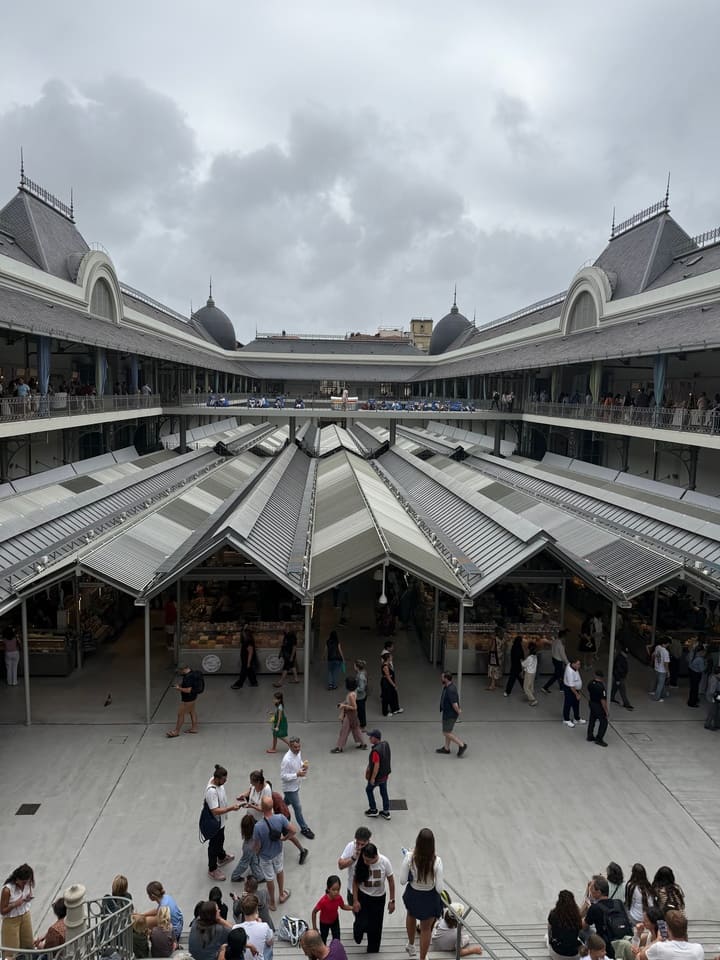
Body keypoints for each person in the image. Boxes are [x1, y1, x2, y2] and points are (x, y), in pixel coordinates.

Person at [400, 827, 444, 960]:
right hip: (429, 898)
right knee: (425, 929)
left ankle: (411, 945)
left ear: (417, 842)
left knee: (411, 916)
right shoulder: (437, 861)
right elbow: (439, 889)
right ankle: (423, 958)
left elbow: (402, 881)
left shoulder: (409, 857)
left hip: (413, 894)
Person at [252, 795, 295, 912]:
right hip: (278, 851)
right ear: (271, 807)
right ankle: (281, 894)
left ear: (262, 807)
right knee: (279, 870)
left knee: (269, 878)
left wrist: (256, 852)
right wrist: (285, 838)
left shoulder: (258, 827)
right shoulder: (280, 818)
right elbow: (293, 830)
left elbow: (257, 845)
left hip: (265, 856)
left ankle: (272, 902)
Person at [352, 842, 395, 954]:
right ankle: (358, 931)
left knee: (376, 927)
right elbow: (355, 882)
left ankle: (373, 949)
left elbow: (391, 880)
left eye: (368, 860)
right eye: (364, 859)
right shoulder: (361, 861)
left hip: (378, 899)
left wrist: (392, 900)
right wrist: (355, 900)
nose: (365, 862)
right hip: (363, 896)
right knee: (361, 922)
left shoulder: (384, 862)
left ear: (375, 857)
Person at [205, 763, 241, 881]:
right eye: (223, 780)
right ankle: (212, 869)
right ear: (216, 779)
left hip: (221, 822)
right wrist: (231, 808)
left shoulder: (217, 781)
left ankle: (221, 857)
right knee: (213, 845)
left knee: (221, 839)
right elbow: (215, 811)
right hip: (215, 823)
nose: (225, 781)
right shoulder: (211, 792)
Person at [583, 876, 632, 958]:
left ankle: (589, 954)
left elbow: (583, 926)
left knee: (583, 932)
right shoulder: (618, 903)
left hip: (607, 948)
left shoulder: (595, 908)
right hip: (624, 942)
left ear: (598, 892)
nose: (590, 892)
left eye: (591, 889)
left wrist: (586, 909)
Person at [280, 736, 315, 839]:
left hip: (296, 784)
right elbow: (283, 776)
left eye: (299, 746)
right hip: (290, 788)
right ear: (290, 746)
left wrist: (303, 765)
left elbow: (299, 761)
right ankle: (304, 828)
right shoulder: (286, 760)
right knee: (297, 807)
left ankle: (275, 811)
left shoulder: (298, 753)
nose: (298, 749)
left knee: (285, 803)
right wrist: (297, 774)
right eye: (295, 747)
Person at [636, 910, 704, 960]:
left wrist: (658, 940)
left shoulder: (659, 947)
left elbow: (641, 956)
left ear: (667, 928)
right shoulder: (698, 949)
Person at [1, 863, 35, 953]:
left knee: (28, 945)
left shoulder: (28, 883)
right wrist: (15, 904)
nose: (25, 884)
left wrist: (27, 899)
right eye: (23, 882)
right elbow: (2, 911)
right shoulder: (7, 890)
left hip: (25, 915)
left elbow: (28, 894)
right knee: (11, 950)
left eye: (28, 882)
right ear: (17, 880)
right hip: (11, 920)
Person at [312, 875, 353, 944]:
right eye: (333, 890)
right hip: (324, 923)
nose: (336, 892)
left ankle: (336, 951)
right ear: (328, 889)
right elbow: (314, 912)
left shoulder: (338, 898)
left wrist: (352, 908)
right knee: (323, 938)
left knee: (337, 939)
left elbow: (343, 906)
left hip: (335, 921)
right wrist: (314, 928)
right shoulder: (323, 901)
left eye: (338, 889)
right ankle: (323, 952)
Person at [338, 827, 372, 905]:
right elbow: (340, 865)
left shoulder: (372, 850)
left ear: (368, 842)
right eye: (357, 843)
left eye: (362, 844)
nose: (359, 847)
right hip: (352, 891)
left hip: (367, 891)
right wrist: (353, 858)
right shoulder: (351, 846)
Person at [436, 672, 467, 756]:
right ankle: (446, 748)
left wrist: (458, 711)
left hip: (450, 714)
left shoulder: (450, 689)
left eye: (442, 677)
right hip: (447, 712)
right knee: (448, 730)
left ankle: (462, 745)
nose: (441, 679)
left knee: (446, 732)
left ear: (446, 678)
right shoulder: (447, 687)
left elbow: (454, 703)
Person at [332, 677, 366, 752]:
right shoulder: (354, 692)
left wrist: (344, 706)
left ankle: (339, 747)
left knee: (344, 730)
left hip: (350, 714)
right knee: (356, 728)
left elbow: (354, 707)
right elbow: (350, 702)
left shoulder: (350, 695)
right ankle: (363, 743)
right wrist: (343, 703)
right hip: (353, 715)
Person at [167, 665, 202, 737]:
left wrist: (178, 688)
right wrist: (180, 685)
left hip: (188, 699)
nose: (179, 673)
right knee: (192, 712)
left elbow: (188, 690)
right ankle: (194, 728)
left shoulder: (188, 678)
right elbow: (189, 685)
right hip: (193, 696)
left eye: (179, 671)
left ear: (183, 669)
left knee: (180, 714)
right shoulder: (192, 673)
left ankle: (176, 732)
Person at [547, 889, 581, 960]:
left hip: (557, 954)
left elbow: (550, 931)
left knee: (547, 936)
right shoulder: (577, 915)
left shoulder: (553, 914)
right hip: (574, 954)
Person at [364, 729, 391, 819]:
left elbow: (376, 766)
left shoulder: (375, 751)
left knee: (368, 790)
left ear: (375, 738)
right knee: (384, 792)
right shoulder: (385, 744)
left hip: (377, 777)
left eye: (371, 737)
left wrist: (372, 778)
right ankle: (386, 812)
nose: (369, 739)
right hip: (385, 775)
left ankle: (373, 810)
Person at [238, 893, 274, 960]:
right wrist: (260, 923)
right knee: (269, 942)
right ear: (256, 909)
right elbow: (270, 942)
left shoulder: (236, 928)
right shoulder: (264, 926)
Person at [587, 670, 609, 747]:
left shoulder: (591, 683)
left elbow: (588, 689)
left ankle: (590, 736)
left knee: (592, 719)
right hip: (598, 705)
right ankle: (599, 739)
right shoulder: (601, 687)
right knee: (604, 722)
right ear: (602, 677)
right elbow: (603, 700)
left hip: (591, 702)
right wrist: (606, 710)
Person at [232, 624, 259, 689]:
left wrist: (248, 663)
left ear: (247, 634)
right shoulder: (246, 640)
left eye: (243, 633)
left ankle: (239, 684)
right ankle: (254, 682)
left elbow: (250, 652)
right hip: (245, 659)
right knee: (250, 671)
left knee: (243, 672)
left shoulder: (248, 641)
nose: (242, 634)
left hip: (247, 659)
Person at [543, 629, 569, 694]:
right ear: (563, 637)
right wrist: (568, 663)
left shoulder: (555, 641)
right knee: (557, 675)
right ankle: (545, 687)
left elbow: (552, 650)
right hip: (559, 661)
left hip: (554, 659)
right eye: (565, 637)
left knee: (560, 674)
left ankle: (562, 687)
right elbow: (563, 656)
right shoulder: (561, 645)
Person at [562, 659, 586, 728]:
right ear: (573, 663)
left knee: (576, 704)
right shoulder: (570, 672)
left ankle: (576, 718)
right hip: (570, 690)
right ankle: (566, 719)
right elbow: (571, 686)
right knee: (568, 704)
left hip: (575, 689)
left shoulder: (573, 667)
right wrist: (577, 694)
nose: (579, 666)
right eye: (578, 664)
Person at [380, 651, 402, 716]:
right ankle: (385, 712)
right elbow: (388, 677)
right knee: (386, 697)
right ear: (388, 658)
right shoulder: (385, 666)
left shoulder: (389, 664)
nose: (392, 657)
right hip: (386, 683)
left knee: (393, 695)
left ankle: (395, 708)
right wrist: (394, 685)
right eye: (391, 656)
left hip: (389, 682)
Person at [687, 643, 706, 708]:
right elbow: (702, 669)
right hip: (696, 674)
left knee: (693, 688)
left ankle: (692, 700)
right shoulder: (700, 659)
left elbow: (687, 660)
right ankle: (692, 703)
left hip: (691, 672)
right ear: (701, 651)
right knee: (695, 689)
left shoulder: (691, 654)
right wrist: (706, 664)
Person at [486, 626, 505, 692]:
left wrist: (489, 652)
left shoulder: (494, 639)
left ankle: (492, 685)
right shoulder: (502, 639)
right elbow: (503, 648)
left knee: (492, 669)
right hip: (500, 656)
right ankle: (497, 683)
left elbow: (492, 648)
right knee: (498, 669)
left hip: (494, 656)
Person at [354, 660, 368, 730]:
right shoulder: (362, 672)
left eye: (354, 666)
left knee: (361, 711)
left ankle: (363, 726)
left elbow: (361, 688)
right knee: (359, 710)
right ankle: (360, 723)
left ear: (357, 667)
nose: (354, 667)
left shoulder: (361, 676)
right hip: (362, 695)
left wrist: (355, 689)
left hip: (360, 697)